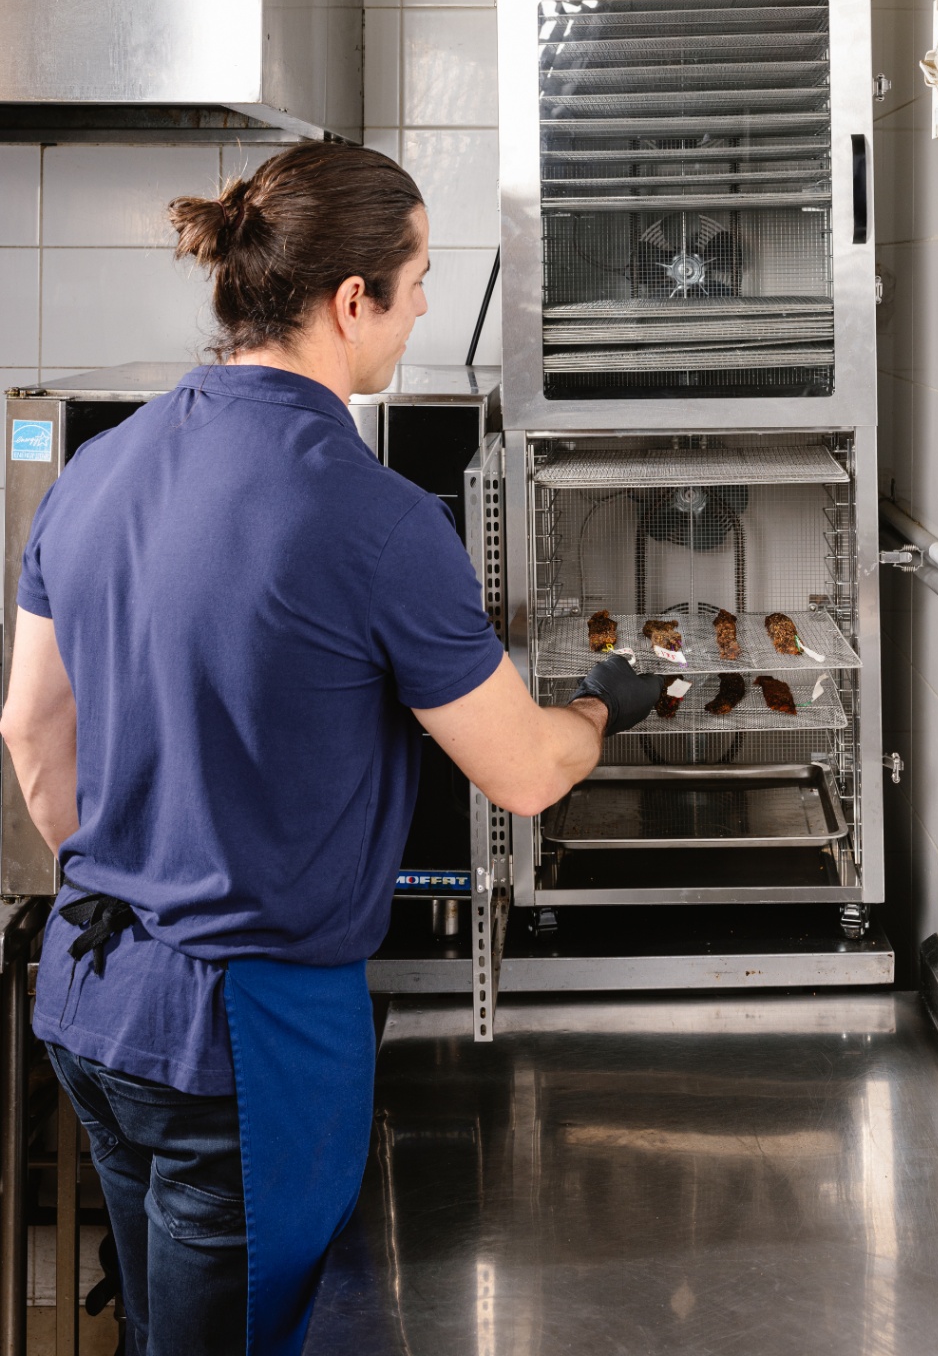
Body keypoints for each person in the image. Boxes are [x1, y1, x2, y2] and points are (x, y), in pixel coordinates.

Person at [0, 141, 662, 1356]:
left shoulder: (96, 471)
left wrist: (140, 873)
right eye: (415, 283)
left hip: (92, 997)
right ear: (349, 300)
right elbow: (521, 772)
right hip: (246, 1037)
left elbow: (30, 731)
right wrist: (603, 707)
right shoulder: (373, 517)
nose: (418, 313)